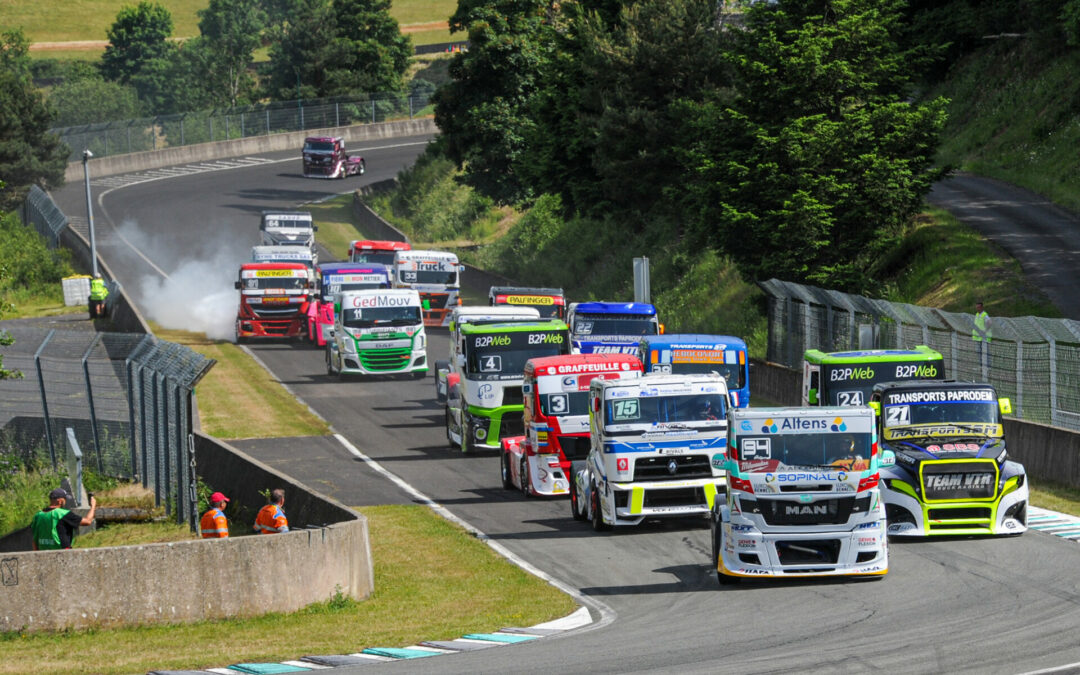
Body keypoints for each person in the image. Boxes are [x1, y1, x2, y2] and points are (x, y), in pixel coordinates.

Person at [31, 488, 97, 551]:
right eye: (65, 499)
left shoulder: (38, 515)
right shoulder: (62, 514)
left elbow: (34, 539)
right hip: (62, 553)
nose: (65, 501)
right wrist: (93, 506)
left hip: (43, 554)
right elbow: (88, 521)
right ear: (60, 501)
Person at [972, 301, 992, 370]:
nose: (977, 309)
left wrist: (985, 331)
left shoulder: (984, 315)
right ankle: (981, 366)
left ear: (982, 307)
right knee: (979, 352)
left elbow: (989, 323)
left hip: (984, 337)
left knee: (985, 352)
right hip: (978, 337)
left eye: (979, 307)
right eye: (976, 307)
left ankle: (988, 367)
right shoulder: (977, 314)